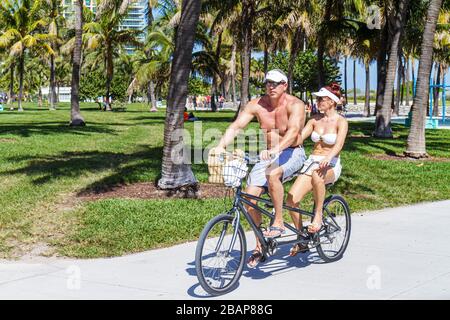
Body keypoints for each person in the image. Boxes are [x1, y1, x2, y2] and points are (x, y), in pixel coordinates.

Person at [212, 69, 306, 268]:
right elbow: (237, 126)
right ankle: (260, 246)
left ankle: (278, 222)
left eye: (276, 83)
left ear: (285, 85)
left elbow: (294, 132)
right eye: (268, 83)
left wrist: (276, 150)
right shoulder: (256, 105)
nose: (271, 87)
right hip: (270, 154)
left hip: (293, 151)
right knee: (249, 198)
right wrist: (220, 146)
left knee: (274, 174)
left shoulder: (295, 104)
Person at [286, 83, 348, 256]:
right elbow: (298, 139)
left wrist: (328, 158)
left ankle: (318, 215)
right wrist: (284, 139)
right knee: (291, 199)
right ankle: (302, 239)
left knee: (317, 175)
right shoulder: (314, 120)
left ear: (332, 101)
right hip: (312, 162)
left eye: (322, 98)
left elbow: (339, 144)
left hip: (331, 163)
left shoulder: (341, 121)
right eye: (318, 98)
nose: (318, 101)